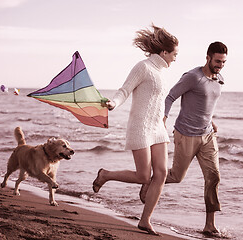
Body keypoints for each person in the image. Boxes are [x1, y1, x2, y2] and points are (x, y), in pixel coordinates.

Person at [92, 24, 179, 236]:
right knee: (143, 176)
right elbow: (125, 90)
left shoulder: (162, 72)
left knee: (160, 174)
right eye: (174, 54)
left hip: (158, 128)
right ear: (164, 52)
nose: (176, 58)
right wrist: (113, 103)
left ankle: (145, 220)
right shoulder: (144, 67)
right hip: (140, 127)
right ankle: (105, 175)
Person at [140, 41, 227, 237]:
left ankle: (209, 225)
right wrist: (163, 118)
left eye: (223, 62)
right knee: (177, 177)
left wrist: (210, 120)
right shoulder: (192, 77)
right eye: (217, 61)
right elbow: (170, 96)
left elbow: (206, 102)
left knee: (214, 177)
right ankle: (151, 182)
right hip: (186, 134)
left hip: (207, 135)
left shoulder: (219, 78)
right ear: (208, 57)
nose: (220, 65)